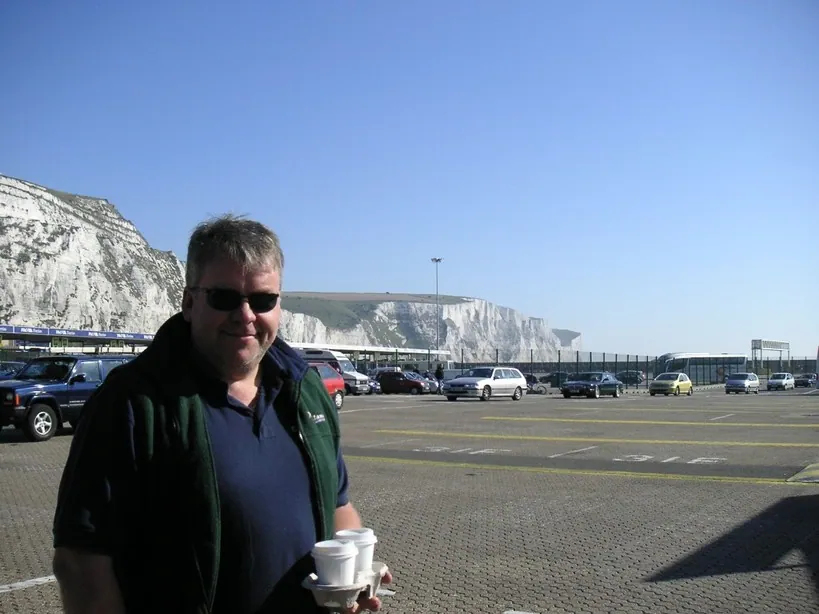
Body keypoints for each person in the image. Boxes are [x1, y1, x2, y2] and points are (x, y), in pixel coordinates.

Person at [51, 214, 391, 613]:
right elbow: (80, 562)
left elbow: (338, 507)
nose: (245, 315)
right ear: (190, 302)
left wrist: (352, 577)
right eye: (225, 298)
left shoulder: (306, 392)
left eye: (263, 300)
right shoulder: (132, 403)